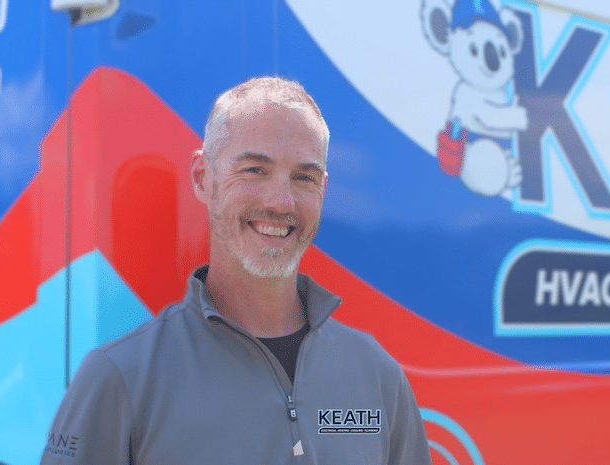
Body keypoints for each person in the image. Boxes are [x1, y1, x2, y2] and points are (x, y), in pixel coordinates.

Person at [41, 77, 432, 464]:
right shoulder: (120, 380)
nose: (281, 201)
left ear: (323, 190)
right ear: (202, 177)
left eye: (303, 177)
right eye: (254, 170)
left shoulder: (377, 376)